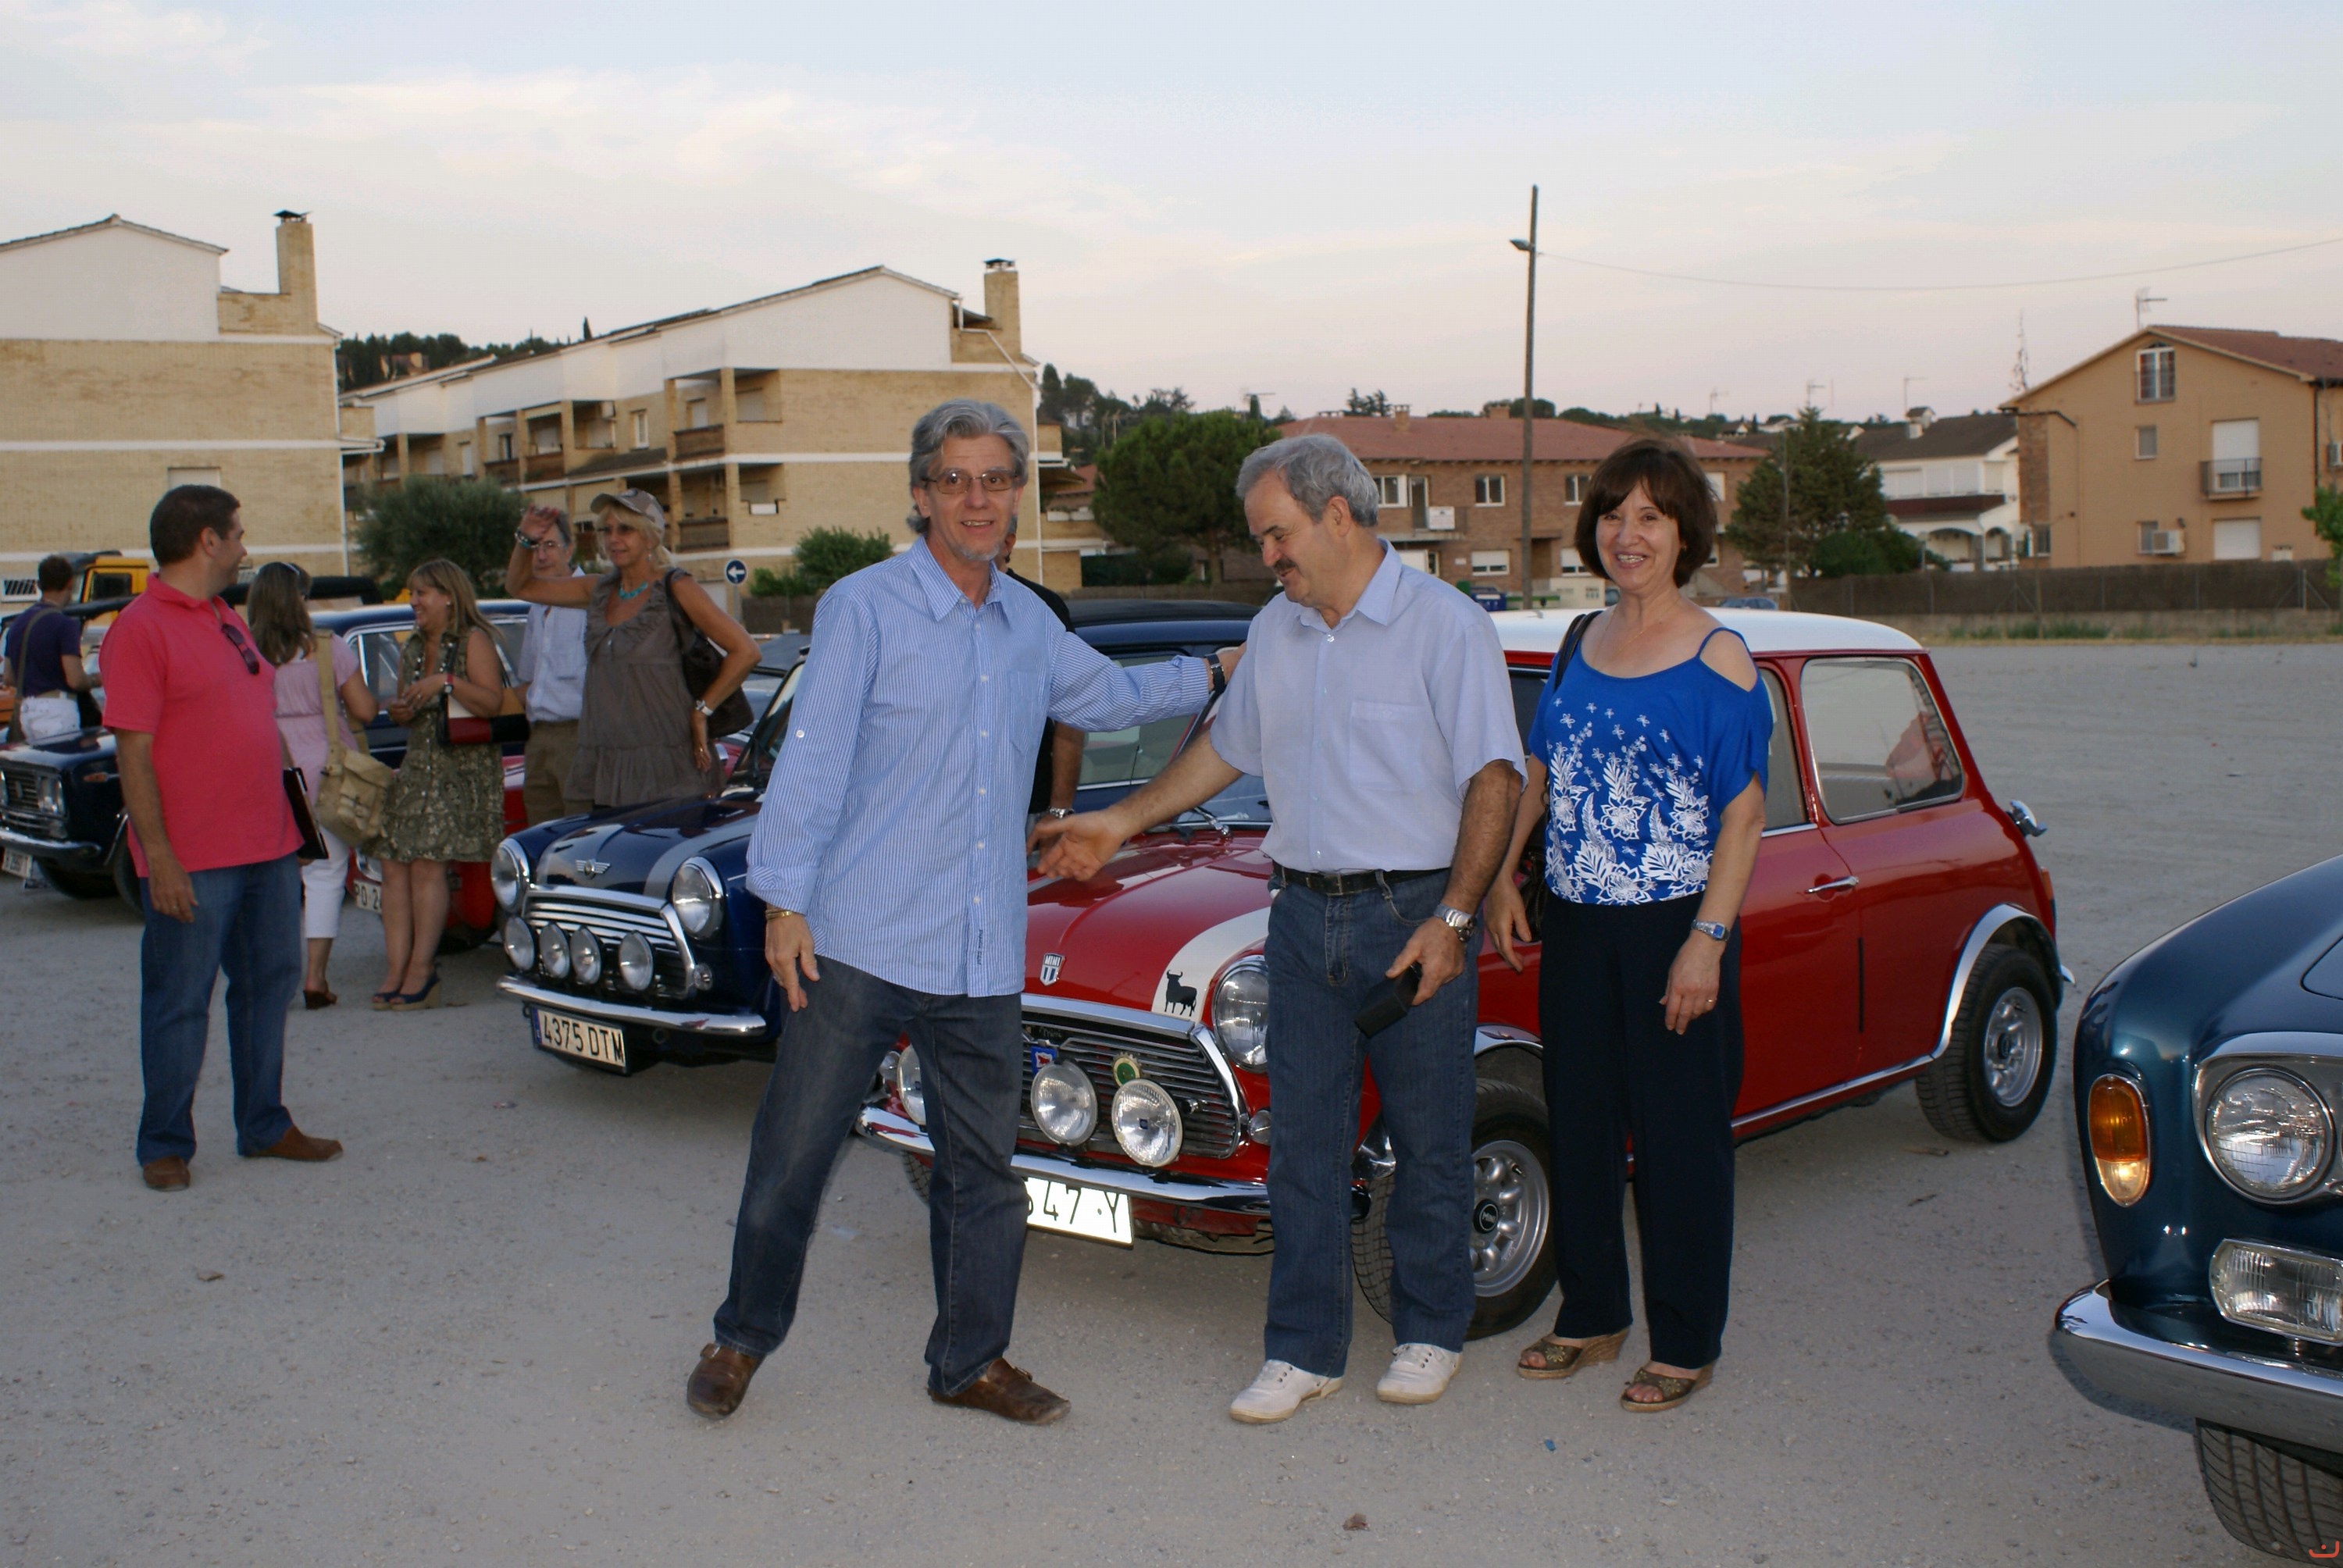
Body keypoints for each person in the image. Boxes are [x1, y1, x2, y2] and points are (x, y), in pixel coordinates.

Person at [686, 398, 1233, 1427]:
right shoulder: (864, 607)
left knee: (984, 1172)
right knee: (795, 1154)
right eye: (956, 480)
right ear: (922, 494)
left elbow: (1109, 700)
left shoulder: (1030, 621)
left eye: (996, 479)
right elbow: (814, 759)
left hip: (980, 950)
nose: (977, 499)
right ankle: (740, 1337)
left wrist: (1214, 670)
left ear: (1018, 494)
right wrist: (784, 901)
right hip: (859, 938)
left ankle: (970, 1362)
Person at [1034, 434, 1523, 1424]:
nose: (1269, 556)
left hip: (1411, 913)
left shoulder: (1445, 625)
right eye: (1263, 538)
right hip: (1298, 913)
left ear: (1337, 515)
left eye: (1277, 534)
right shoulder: (1277, 628)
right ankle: (1303, 1351)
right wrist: (1119, 822)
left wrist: (1454, 917)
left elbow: (1495, 777)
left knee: (1428, 1137)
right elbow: (1224, 750)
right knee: (1303, 1145)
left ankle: (1431, 1330)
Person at [1484, 437, 1770, 1414]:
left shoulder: (1719, 656)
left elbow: (1744, 816)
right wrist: (1503, 875)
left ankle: (1685, 1340)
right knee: (1583, 1126)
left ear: (1685, 531)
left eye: (1650, 515)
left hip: (1674, 925)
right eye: (1613, 515)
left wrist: (1707, 942)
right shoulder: (1580, 641)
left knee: (1681, 1140)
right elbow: (1541, 772)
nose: (1628, 534)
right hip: (1577, 924)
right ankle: (1593, 1313)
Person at [104, 484, 341, 1192]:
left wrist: (296, 829)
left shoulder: (224, 617)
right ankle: (164, 1143)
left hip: (267, 846)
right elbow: (133, 753)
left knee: (268, 986)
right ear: (207, 541)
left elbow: (255, 721)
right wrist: (160, 858)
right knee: (179, 999)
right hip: (195, 858)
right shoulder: (140, 628)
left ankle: (264, 1124)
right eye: (236, 533)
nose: (244, 546)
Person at [504, 489, 758, 811]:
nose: (613, 539)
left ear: (650, 536)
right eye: (607, 530)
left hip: (667, 760)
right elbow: (520, 587)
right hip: (607, 762)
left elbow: (746, 651)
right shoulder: (598, 589)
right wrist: (526, 539)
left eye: (625, 529)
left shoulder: (676, 587)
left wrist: (701, 711)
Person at [366, 558, 507, 1012]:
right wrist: (402, 710)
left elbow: (492, 703)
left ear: (448, 596)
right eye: (412, 594)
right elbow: (409, 707)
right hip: (419, 766)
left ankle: (421, 971)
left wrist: (446, 682)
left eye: (422, 593)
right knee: (392, 862)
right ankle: (396, 968)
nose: (415, 602)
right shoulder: (411, 645)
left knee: (428, 865)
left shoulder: (472, 640)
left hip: (459, 771)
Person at [248, 561, 380, 1009]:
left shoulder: (244, 651)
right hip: (325, 767)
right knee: (325, 872)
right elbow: (364, 710)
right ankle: (315, 978)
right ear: (300, 598)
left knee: (271, 876)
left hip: (265, 764)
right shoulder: (327, 648)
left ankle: (270, 978)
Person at [995, 522, 1085, 825]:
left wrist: (1059, 810)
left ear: (1008, 544)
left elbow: (1072, 715)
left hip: (1027, 812)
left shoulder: (1043, 607)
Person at [508, 504, 591, 824]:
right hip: (539, 737)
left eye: (550, 546)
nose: (541, 556)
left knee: (578, 835)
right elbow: (530, 683)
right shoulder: (536, 608)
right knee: (541, 834)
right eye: (534, 547)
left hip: (579, 736)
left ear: (569, 550)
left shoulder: (591, 599)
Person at [4, 553, 98, 745]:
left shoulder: (17, 624)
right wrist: (98, 679)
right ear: (70, 583)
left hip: (26, 711)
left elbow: (9, 678)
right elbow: (75, 680)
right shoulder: (64, 625)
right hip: (56, 710)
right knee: (62, 759)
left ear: (39, 585)